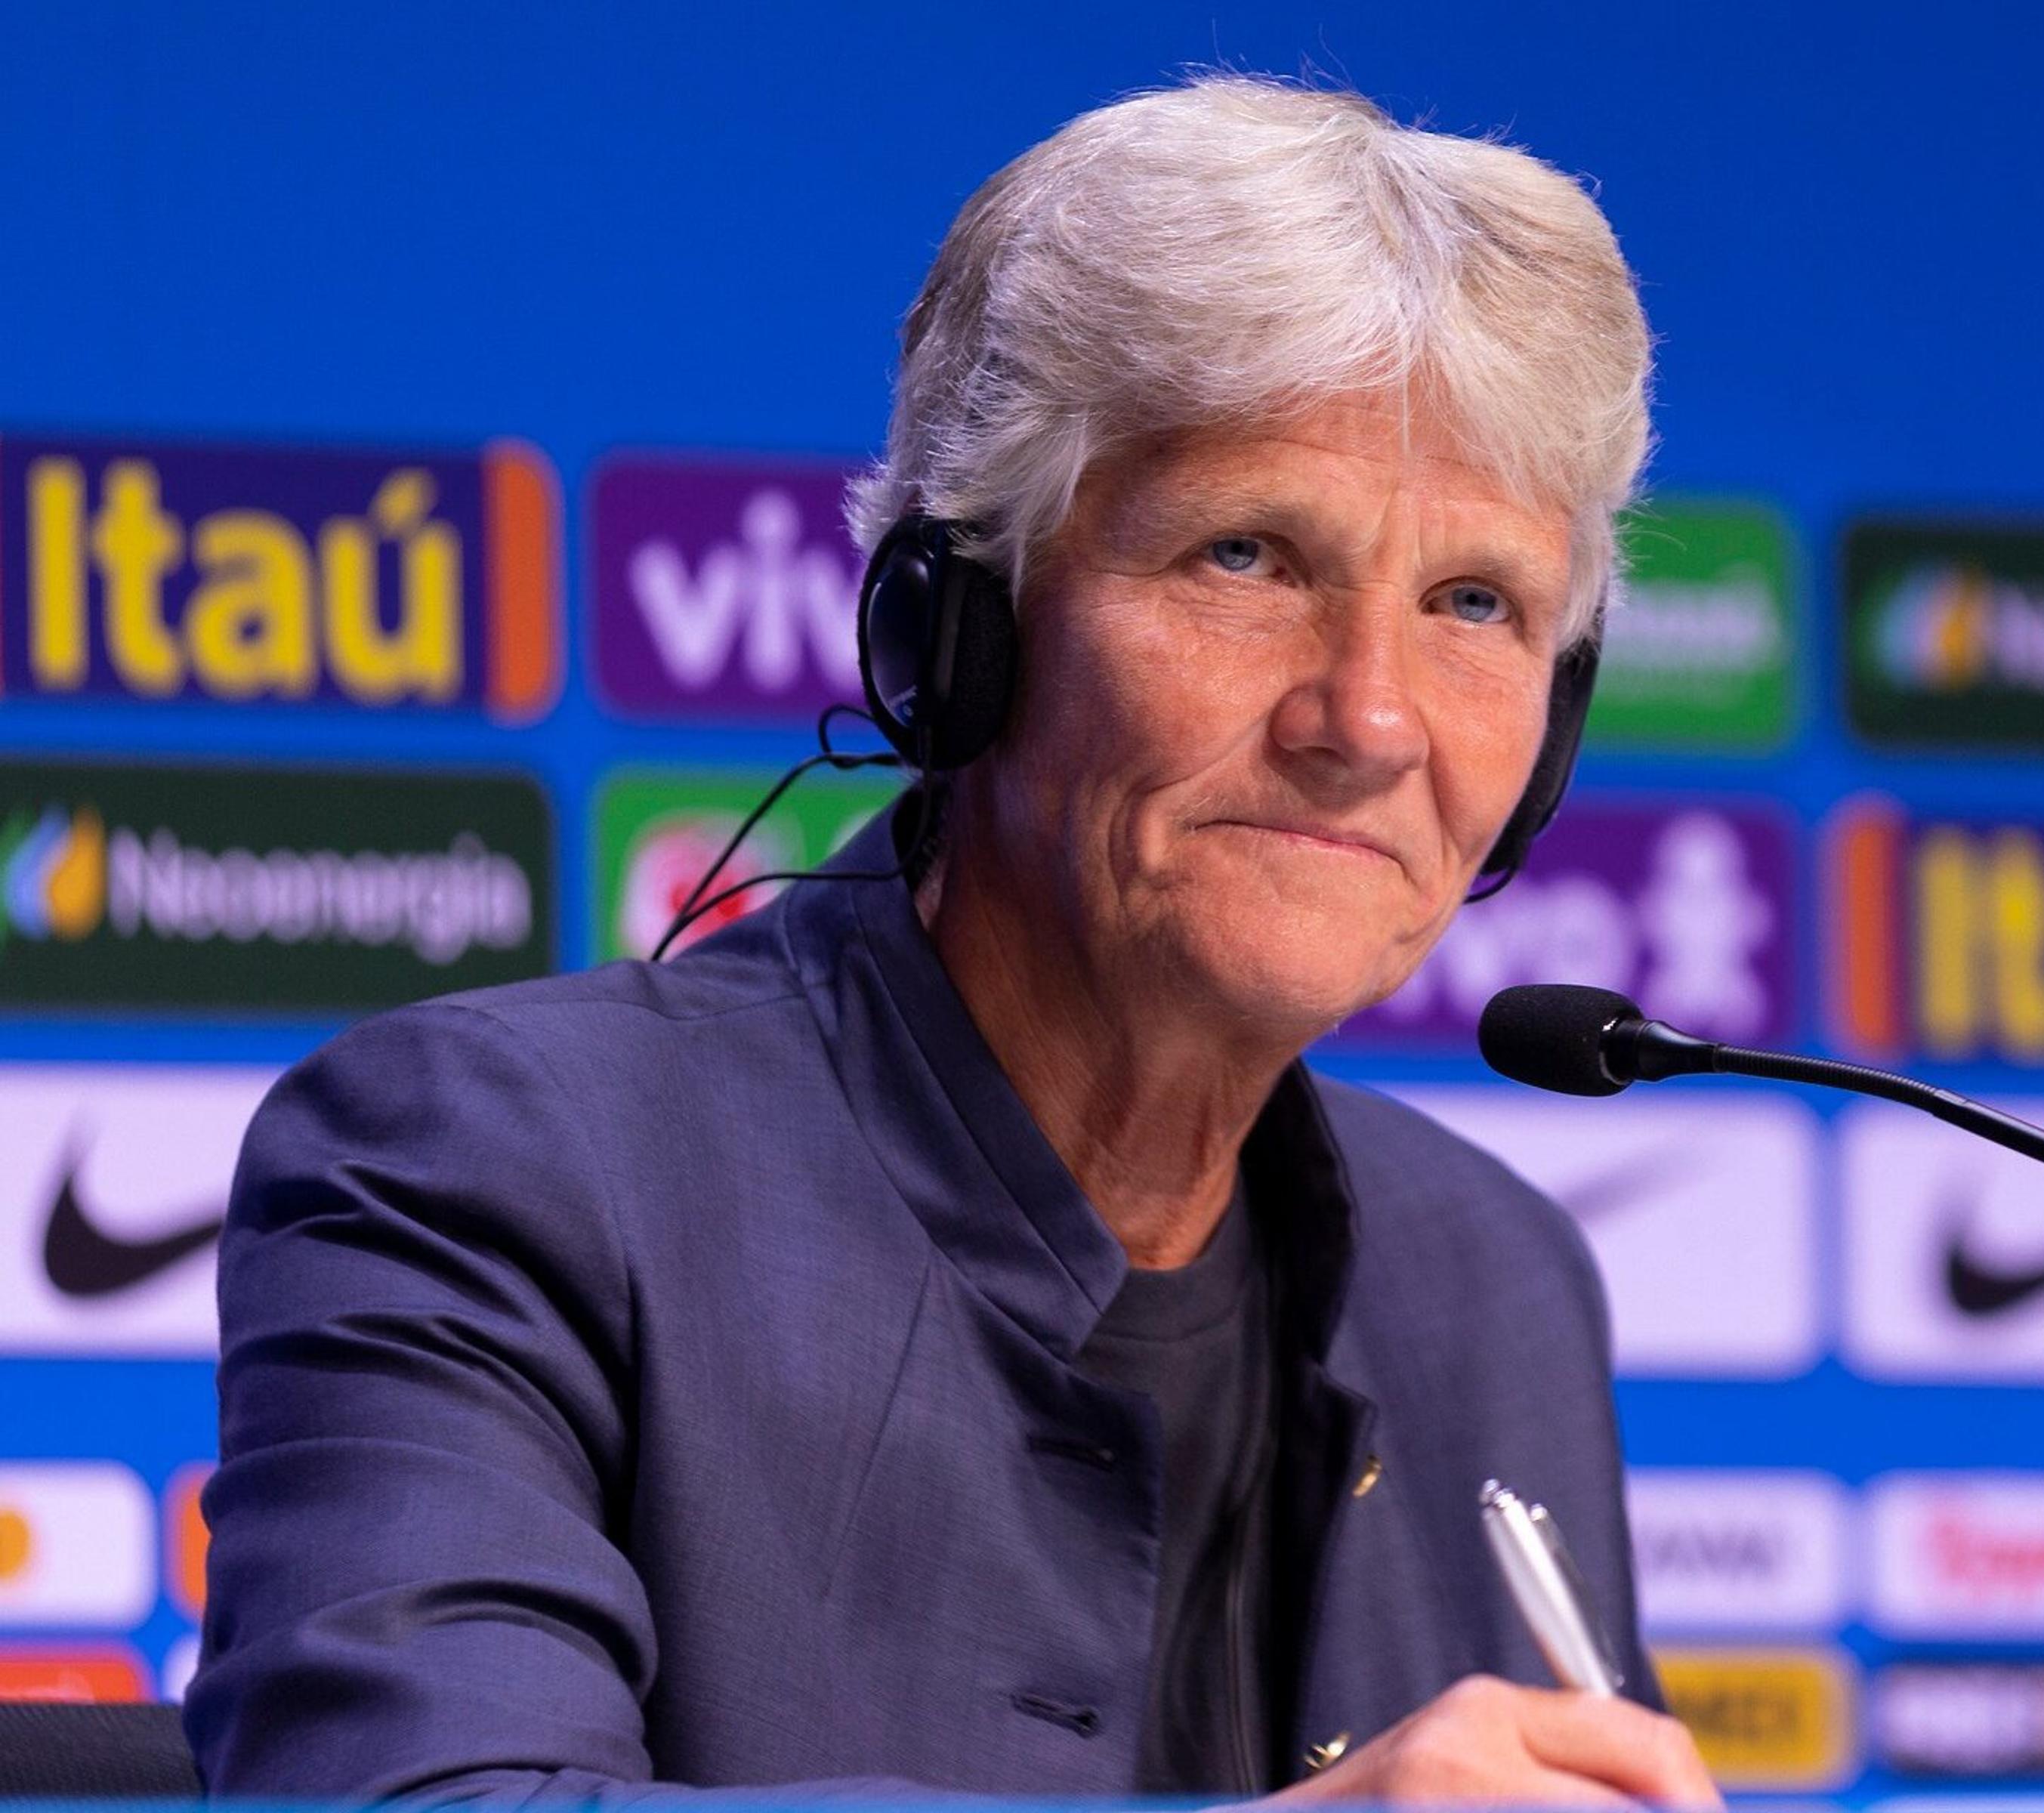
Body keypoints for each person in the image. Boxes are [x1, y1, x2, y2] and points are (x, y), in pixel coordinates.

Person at [186, 73, 1720, 1810]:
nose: (1368, 718)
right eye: (1245, 555)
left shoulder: (1492, 1276)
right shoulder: (489, 1168)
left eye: (1474, 605)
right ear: (959, 626)